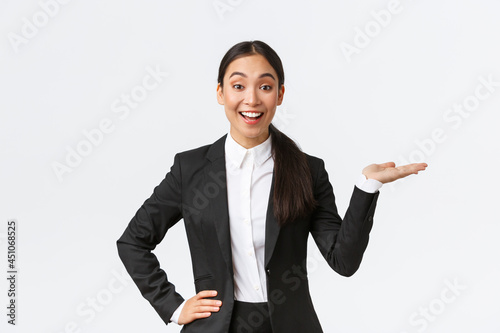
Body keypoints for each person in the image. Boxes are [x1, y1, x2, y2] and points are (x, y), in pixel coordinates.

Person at [116, 40, 427, 333]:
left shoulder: (308, 171)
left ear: (279, 94)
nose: (251, 99)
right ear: (221, 92)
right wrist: (172, 307)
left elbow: (343, 261)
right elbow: (133, 242)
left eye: (264, 87)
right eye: (238, 86)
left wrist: (367, 187)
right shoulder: (191, 169)